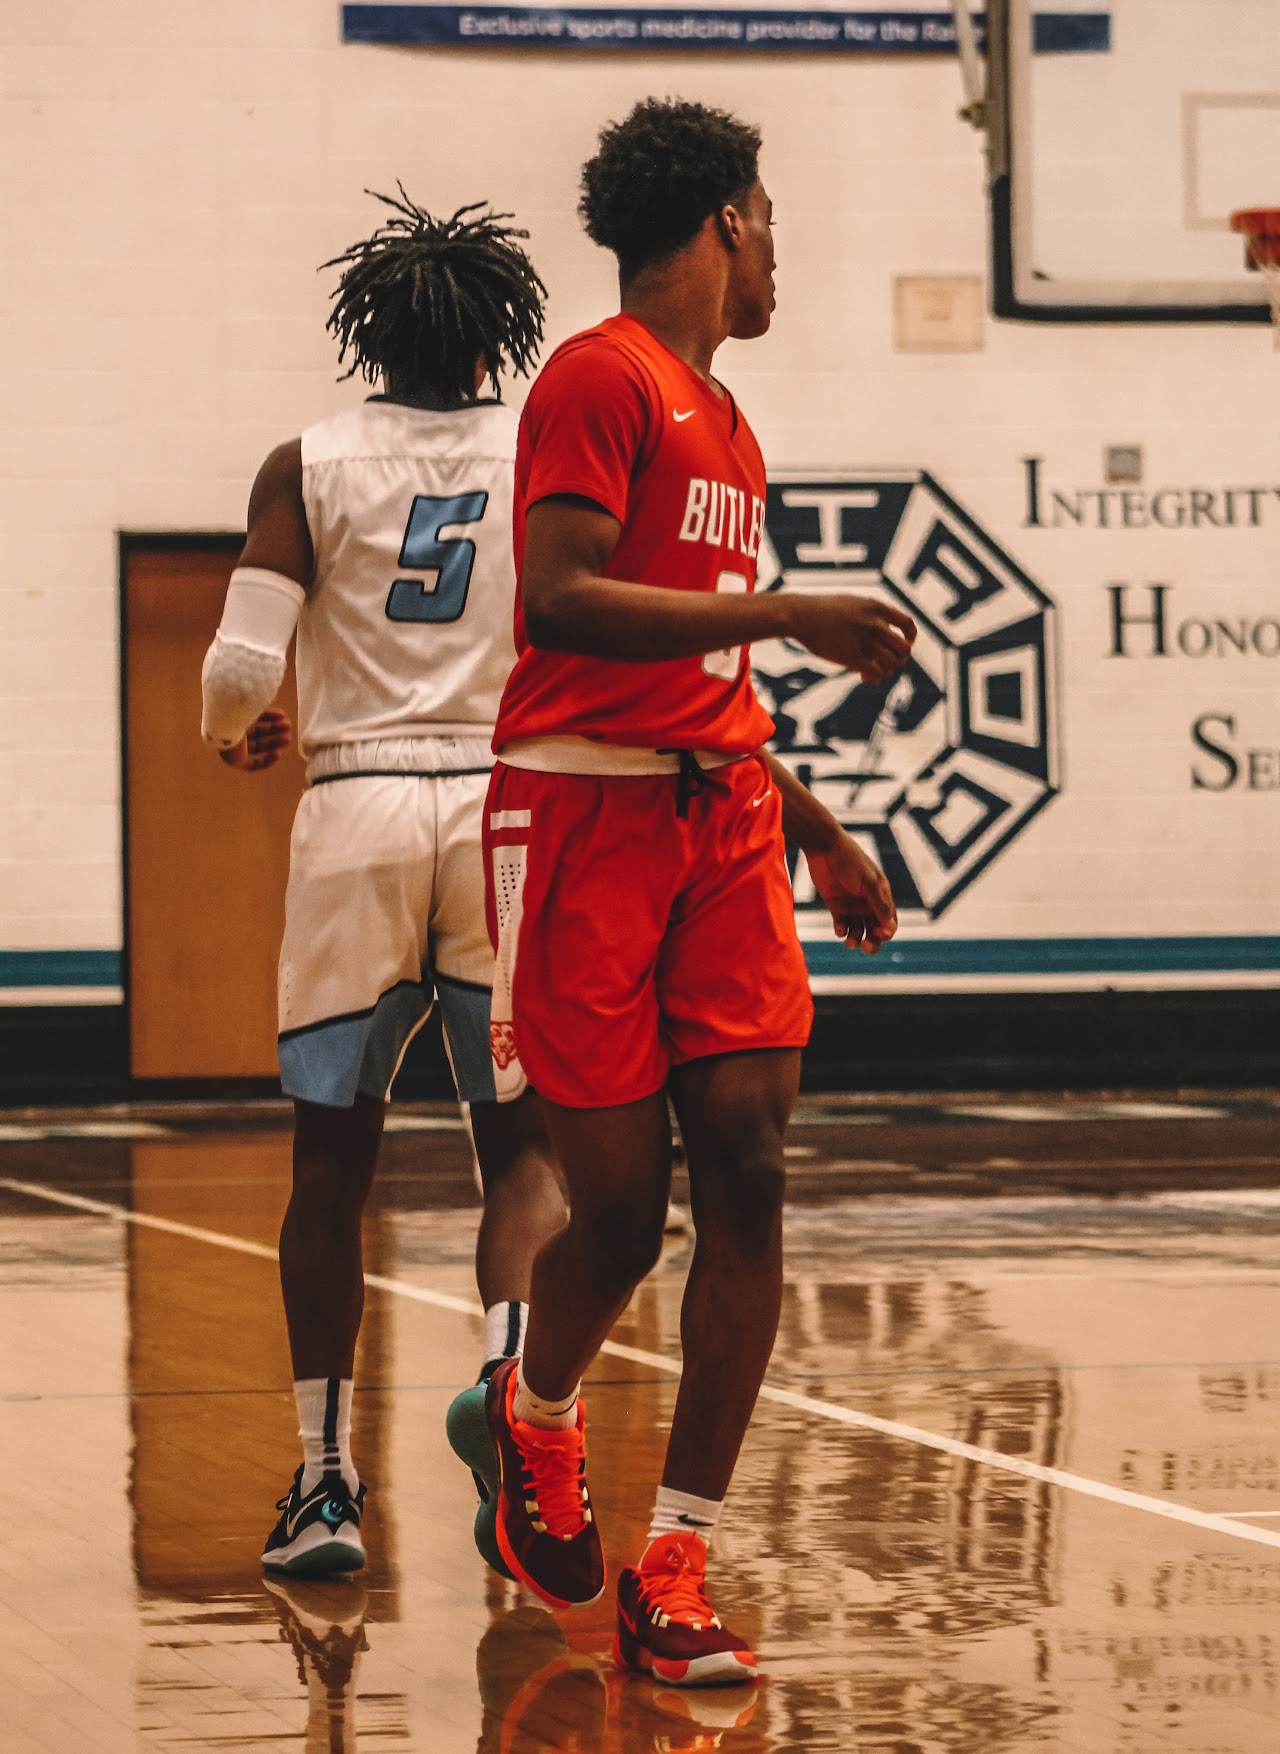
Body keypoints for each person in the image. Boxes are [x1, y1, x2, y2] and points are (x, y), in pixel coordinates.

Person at [480, 99, 916, 1685]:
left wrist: (812, 818)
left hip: (724, 819)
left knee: (748, 1160)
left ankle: (676, 1562)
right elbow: (567, 597)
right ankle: (529, 1420)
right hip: (583, 823)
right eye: (774, 222)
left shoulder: (727, 424)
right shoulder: (603, 377)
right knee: (621, 1214)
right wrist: (798, 607)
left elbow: (709, 659)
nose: (780, 253)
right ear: (728, 220)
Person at [199, 190, 565, 1579]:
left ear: (371, 332)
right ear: (496, 338)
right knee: (524, 1153)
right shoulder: (543, 449)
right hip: (503, 802)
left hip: (353, 810)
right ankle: (525, 1443)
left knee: (328, 1167)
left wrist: (234, 738)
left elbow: (241, 672)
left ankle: (327, 1485)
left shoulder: (311, 458)